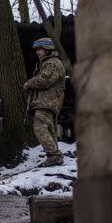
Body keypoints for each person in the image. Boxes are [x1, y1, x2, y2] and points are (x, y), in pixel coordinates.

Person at [24, 37, 66, 167]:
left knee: (40, 126)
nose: (37, 52)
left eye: (40, 49)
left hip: (47, 101)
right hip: (46, 101)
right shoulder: (48, 63)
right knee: (48, 127)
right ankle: (54, 155)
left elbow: (44, 80)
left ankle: (54, 155)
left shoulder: (52, 63)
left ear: (48, 50)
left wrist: (28, 84)